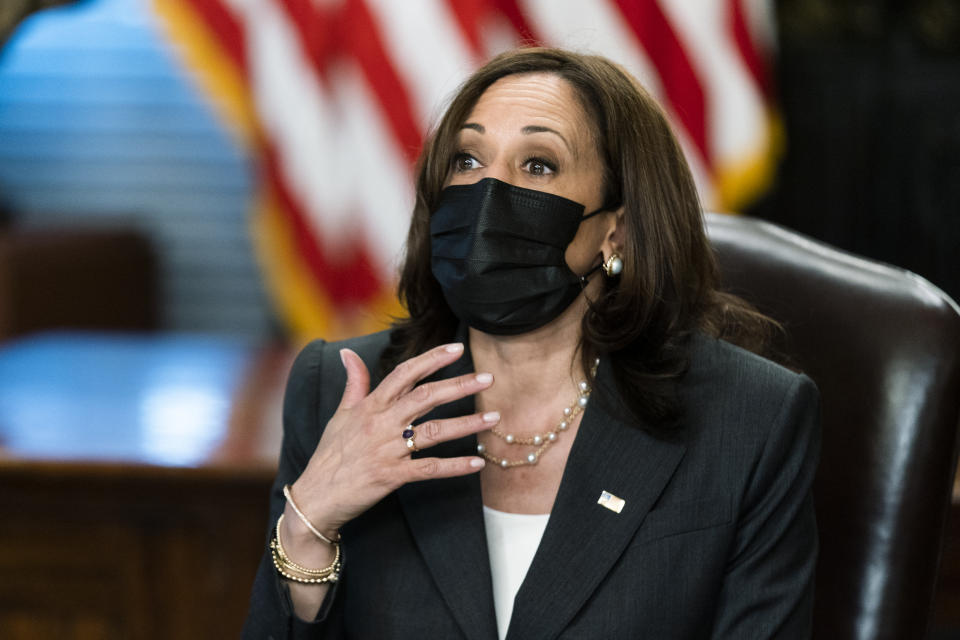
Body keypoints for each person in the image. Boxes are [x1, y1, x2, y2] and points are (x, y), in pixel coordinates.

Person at [242, 47, 820, 640]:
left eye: (538, 165)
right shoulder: (343, 391)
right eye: (467, 160)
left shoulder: (748, 419)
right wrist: (307, 531)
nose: (489, 192)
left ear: (614, 230)